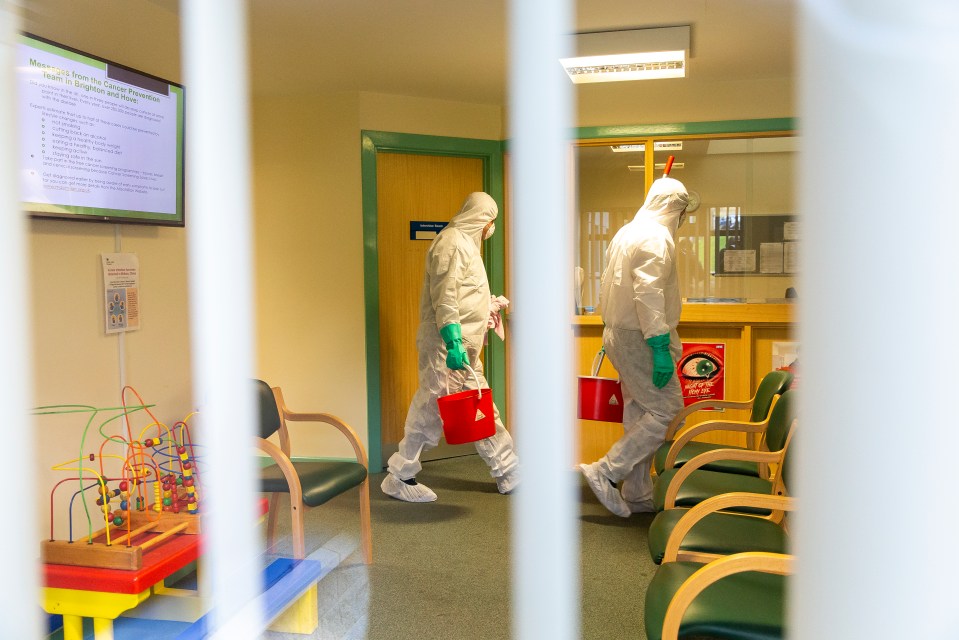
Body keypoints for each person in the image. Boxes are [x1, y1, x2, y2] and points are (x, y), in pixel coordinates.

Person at [381, 192, 520, 502]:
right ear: (483, 220)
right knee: (431, 408)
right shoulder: (452, 243)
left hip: (464, 349)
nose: (491, 229)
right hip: (446, 349)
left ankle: (510, 471)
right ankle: (400, 475)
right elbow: (445, 296)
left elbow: (465, 292)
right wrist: (454, 339)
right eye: (491, 223)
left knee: (481, 408)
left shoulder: (467, 245)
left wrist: (488, 305)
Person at [580, 176, 689, 516]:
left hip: (618, 333)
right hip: (642, 337)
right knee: (667, 413)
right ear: (675, 208)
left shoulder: (628, 231)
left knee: (640, 411)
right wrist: (658, 344)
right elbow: (648, 293)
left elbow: (607, 284)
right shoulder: (656, 237)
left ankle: (638, 491)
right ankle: (607, 471)